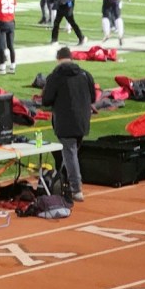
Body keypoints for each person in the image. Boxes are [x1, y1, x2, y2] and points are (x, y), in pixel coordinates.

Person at [41, 46, 96, 202]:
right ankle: (63, 180)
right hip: (83, 120)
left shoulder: (55, 76)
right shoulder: (85, 74)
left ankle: (76, 188)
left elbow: (46, 100)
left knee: (70, 153)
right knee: (72, 152)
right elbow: (93, 97)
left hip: (65, 121)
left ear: (58, 59)